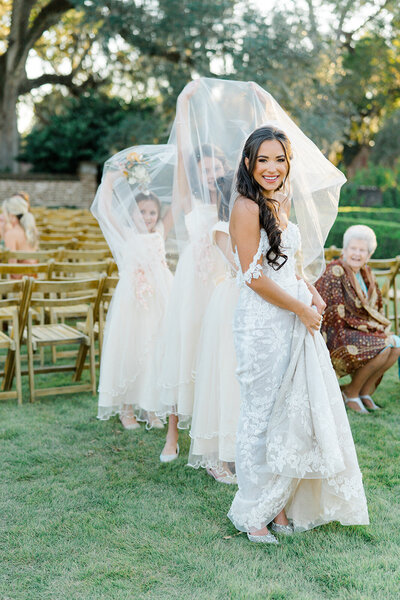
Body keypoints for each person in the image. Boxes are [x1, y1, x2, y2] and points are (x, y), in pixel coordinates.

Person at [228, 124, 368, 544]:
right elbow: (253, 277)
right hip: (261, 322)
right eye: (263, 159)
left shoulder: (278, 201)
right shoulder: (245, 208)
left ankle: (280, 506)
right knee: (260, 415)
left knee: (288, 415)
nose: (272, 168)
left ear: (289, 162)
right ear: (249, 163)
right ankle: (255, 512)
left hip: (293, 315)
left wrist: (311, 294)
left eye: (280, 159)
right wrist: (302, 308)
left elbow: (287, 265)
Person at [158, 77, 304, 462]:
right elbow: (183, 149)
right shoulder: (189, 196)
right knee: (185, 355)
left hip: (227, 284)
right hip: (195, 284)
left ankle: (226, 437)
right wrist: (184, 106)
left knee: (225, 363)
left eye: (216, 166)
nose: (210, 173)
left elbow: (266, 152)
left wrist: (264, 108)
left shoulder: (236, 198)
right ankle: (172, 435)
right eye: (203, 168)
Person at [92, 145, 175, 430]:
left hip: (160, 297)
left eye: (153, 212)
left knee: (157, 348)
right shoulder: (126, 234)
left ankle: (153, 407)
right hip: (133, 300)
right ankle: (127, 409)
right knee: (131, 348)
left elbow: (178, 203)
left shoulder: (160, 233)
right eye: (142, 212)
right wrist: (112, 181)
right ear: (132, 214)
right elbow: (103, 209)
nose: (148, 217)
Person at [315, 225, 400, 413]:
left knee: (396, 346)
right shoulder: (334, 271)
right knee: (383, 347)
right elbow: (331, 314)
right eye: (353, 249)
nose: (357, 254)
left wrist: (371, 326)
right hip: (336, 333)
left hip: (357, 330)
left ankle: (364, 392)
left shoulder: (365, 273)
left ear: (368, 255)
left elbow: (374, 307)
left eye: (362, 250)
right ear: (344, 250)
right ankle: (351, 394)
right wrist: (369, 328)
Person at [187, 219, 240, 483]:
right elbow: (241, 265)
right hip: (232, 303)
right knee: (226, 375)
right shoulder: (221, 228)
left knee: (243, 382)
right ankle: (216, 457)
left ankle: (236, 451)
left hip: (256, 302)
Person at [1, 196, 38, 277]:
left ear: (11, 215)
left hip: (20, 285)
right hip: (34, 282)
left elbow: (13, 270)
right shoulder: (32, 230)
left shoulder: (11, 234)